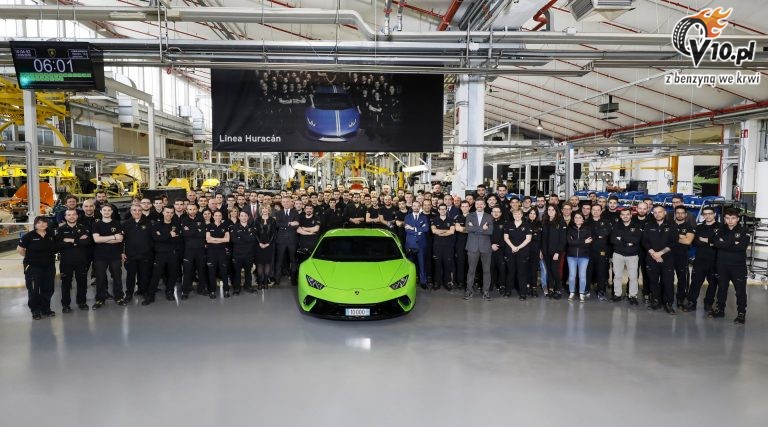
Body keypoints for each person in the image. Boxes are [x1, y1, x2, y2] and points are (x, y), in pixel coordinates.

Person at [709, 208, 748, 324]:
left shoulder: (744, 230)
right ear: (724, 218)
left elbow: (741, 247)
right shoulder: (719, 230)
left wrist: (724, 243)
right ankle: (720, 310)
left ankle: (741, 313)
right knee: (721, 289)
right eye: (727, 218)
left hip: (738, 266)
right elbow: (716, 243)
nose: (730, 221)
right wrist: (733, 242)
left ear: (738, 219)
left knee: (740, 291)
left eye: (733, 218)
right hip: (722, 265)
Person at [18, 216, 58, 320]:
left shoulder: (51, 235)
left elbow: (55, 249)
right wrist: (30, 258)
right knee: (34, 290)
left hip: (49, 266)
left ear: (47, 224)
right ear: (35, 224)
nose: (42, 224)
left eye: (44, 222)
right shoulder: (29, 236)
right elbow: (20, 249)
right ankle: (35, 310)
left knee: (48, 288)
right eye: (39, 223)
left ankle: (46, 309)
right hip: (33, 267)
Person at [684, 206, 720, 312]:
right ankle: (692, 302)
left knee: (713, 283)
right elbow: (695, 242)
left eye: (710, 213)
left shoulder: (721, 227)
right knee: (695, 282)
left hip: (714, 260)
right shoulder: (699, 227)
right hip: (700, 259)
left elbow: (718, 243)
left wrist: (705, 240)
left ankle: (708, 304)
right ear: (703, 215)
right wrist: (710, 241)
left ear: (714, 214)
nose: (708, 216)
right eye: (705, 214)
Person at [642, 205, 677, 314]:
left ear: (665, 212)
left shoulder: (672, 225)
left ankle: (668, 303)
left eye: (660, 212)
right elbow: (644, 242)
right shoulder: (648, 225)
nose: (657, 214)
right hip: (651, 258)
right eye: (655, 212)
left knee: (668, 281)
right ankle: (655, 301)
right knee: (653, 281)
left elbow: (674, 242)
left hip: (667, 259)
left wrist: (660, 253)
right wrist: (653, 253)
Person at [56, 209, 92, 311]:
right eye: (69, 215)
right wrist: (78, 241)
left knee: (82, 282)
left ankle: (82, 302)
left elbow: (87, 242)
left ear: (77, 216)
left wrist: (70, 240)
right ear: (65, 217)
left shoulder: (83, 228)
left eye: (73, 214)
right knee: (66, 283)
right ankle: (66, 305)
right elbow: (59, 244)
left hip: (81, 260)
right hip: (66, 262)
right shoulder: (60, 230)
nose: (71, 216)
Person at [91, 204, 125, 309]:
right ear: (101, 212)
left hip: (115, 255)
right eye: (104, 210)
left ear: (111, 212)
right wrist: (113, 237)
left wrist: (104, 239)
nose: (106, 212)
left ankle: (119, 297)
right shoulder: (96, 225)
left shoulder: (118, 224)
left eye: (108, 210)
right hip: (100, 256)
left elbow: (120, 240)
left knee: (117, 277)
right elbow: (96, 240)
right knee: (100, 278)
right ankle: (100, 299)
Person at [147, 207, 181, 304]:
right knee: (156, 275)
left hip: (173, 253)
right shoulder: (156, 225)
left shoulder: (176, 225)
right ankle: (151, 295)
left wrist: (162, 236)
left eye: (171, 213)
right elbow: (156, 238)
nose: (169, 214)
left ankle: (170, 291)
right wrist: (169, 235)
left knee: (173, 274)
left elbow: (177, 239)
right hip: (160, 254)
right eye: (167, 212)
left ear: (173, 214)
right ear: (163, 212)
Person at [610, 209, 642, 305]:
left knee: (633, 277)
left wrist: (621, 239)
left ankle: (632, 296)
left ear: (631, 215)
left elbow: (636, 240)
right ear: (620, 216)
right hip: (618, 255)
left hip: (632, 255)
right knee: (617, 276)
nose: (625, 216)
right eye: (623, 214)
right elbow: (612, 239)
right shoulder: (616, 226)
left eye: (627, 214)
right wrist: (628, 242)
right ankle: (617, 294)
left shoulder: (637, 226)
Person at [122, 205, 154, 302]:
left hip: (145, 255)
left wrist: (150, 251)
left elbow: (152, 239)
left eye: (139, 210)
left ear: (142, 211)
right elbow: (121, 240)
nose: (137, 212)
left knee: (144, 275)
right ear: (131, 212)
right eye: (134, 210)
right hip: (130, 255)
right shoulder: (125, 224)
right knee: (130, 276)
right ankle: (129, 294)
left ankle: (144, 292)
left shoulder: (149, 223)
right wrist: (122, 252)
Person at [463, 199, 493, 301]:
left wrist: (475, 228)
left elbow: (490, 231)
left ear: (485, 205)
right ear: (474, 205)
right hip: (472, 246)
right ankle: (469, 290)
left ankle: (486, 291)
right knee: (471, 270)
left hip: (486, 247)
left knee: (486, 270)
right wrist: (482, 228)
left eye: (481, 204)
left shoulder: (489, 216)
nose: (479, 205)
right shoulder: (469, 216)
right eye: (477, 204)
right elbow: (467, 228)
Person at [180, 203, 209, 298]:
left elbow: (203, 233)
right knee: (187, 271)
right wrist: (197, 230)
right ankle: (185, 291)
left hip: (200, 249)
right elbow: (185, 233)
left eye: (194, 209)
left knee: (201, 270)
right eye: (190, 209)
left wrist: (192, 230)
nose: (192, 211)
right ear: (187, 210)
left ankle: (202, 288)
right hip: (189, 250)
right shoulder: (184, 220)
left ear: (197, 210)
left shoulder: (201, 219)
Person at [503, 209, 532, 300]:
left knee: (521, 273)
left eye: (519, 214)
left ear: (522, 214)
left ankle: (523, 293)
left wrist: (518, 247)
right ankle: (508, 291)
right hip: (510, 251)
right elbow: (506, 238)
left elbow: (528, 239)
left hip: (522, 252)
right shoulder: (508, 224)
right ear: (513, 215)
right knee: (510, 273)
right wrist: (512, 247)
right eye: (515, 214)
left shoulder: (527, 225)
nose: (517, 215)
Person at [672, 206, 695, 307]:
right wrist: (681, 236)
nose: (680, 215)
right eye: (678, 213)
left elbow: (688, 241)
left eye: (682, 213)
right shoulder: (669, 225)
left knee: (682, 279)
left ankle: (680, 299)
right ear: (675, 214)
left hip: (682, 256)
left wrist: (674, 237)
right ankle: (667, 298)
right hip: (668, 255)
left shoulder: (689, 226)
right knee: (668, 278)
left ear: (686, 214)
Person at [541, 205, 567, 299]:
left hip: (556, 252)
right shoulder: (545, 221)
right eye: (549, 209)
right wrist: (541, 250)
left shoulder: (561, 222)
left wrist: (558, 252)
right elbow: (542, 238)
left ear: (556, 211)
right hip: (545, 251)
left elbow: (563, 239)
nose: (550, 211)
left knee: (555, 270)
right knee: (549, 271)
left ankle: (558, 290)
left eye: (553, 210)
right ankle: (551, 288)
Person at [566, 212, 592, 302]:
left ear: (583, 219)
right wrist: (583, 241)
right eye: (576, 217)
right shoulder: (570, 229)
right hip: (571, 256)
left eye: (579, 217)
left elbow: (589, 242)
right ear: (573, 219)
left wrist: (576, 241)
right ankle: (571, 293)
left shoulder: (588, 229)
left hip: (584, 256)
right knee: (572, 275)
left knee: (582, 276)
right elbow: (569, 242)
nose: (577, 219)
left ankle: (581, 294)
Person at [404, 200, 430, 288]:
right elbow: (407, 229)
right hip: (410, 244)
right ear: (412, 206)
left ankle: (423, 282)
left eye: (418, 206)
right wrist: (418, 230)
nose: (416, 207)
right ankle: (409, 282)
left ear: (420, 207)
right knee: (410, 264)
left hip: (421, 244)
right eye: (414, 206)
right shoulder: (407, 217)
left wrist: (413, 228)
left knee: (422, 264)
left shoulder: (424, 217)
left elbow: (426, 229)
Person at [274, 198, 300, 286]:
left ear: (291, 202)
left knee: (293, 260)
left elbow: (297, 224)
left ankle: (293, 280)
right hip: (281, 240)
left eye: (287, 201)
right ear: (282, 203)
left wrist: (285, 225)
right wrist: (289, 223)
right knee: (279, 260)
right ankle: (277, 280)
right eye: (284, 202)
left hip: (292, 240)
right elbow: (277, 224)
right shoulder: (278, 213)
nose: (285, 203)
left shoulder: (295, 212)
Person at [430, 204, 455, 291]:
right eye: (441, 209)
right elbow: (433, 231)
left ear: (446, 210)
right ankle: (437, 283)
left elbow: (452, 232)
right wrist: (446, 230)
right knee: (437, 265)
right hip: (437, 246)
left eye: (444, 209)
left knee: (447, 265)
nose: (443, 210)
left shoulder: (451, 220)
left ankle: (447, 282)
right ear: (438, 210)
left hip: (448, 247)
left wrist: (439, 232)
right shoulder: (434, 220)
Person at [230, 211, 256, 294]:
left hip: (249, 254)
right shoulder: (234, 227)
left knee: (248, 271)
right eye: (242, 216)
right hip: (237, 254)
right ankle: (237, 288)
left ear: (248, 217)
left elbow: (253, 239)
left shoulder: (252, 227)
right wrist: (247, 236)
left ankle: (248, 286)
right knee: (237, 272)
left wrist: (240, 236)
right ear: (239, 217)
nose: (244, 217)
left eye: (245, 216)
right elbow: (234, 240)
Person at [206, 210, 231, 298]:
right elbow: (208, 239)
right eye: (216, 215)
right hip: (211, 253)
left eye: (219, 215)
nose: (218, 217)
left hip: (222, 252)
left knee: (224, 272)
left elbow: (227, 239)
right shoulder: (209, 226)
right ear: (213, 216)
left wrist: (214, 239)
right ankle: (212, 291)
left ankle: (226, 290)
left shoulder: (225, 226)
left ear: (221, 217)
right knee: (211, 272)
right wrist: (220, 239)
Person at [255, 205, 278, 289]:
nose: (264, 210)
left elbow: (274, 233)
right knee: (260, 263)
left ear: (269, 210)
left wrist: (268, 243)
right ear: (261, 210)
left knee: (268, 263)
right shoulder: (257, 220)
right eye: (263, 208)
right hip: (259, 245)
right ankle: (260, 282)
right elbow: (255, 232)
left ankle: (265, 282)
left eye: (266, 209)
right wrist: (260, 243)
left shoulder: (272, 220)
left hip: (269, 245)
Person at [489, 206, 507, 295]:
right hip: (489, 250)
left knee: (502, 269)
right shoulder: (487, 223)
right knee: (490, 268)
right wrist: (491, 245)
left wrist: (498, 246)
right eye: (494, 211)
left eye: (498, 212)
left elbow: (506, 238)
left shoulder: (504, 223)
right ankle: (490, 285)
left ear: (500, 213)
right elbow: (485, 236)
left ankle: (502, 286)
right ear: (491, 213)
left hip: (501, 250)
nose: (496, 213)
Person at [452, 200, 471, 292]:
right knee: (460, 263)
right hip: (460, 244)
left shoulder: (473, 217)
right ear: (460, 208)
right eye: (463, 206)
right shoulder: (457, 217)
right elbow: (458, 228)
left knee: (470, 264)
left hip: (472, 243)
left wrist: (464, 229)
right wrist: (469, 229)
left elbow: (475, 229)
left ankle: (469, 282)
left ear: (469, 207)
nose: (464, 208)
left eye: (466, 206)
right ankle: (460, 282)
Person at [525, 208, 543, 298]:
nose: (532, 215)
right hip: (525, 249)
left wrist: (540, 250)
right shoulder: (524, 223)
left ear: (536, 215)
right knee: (526, 269)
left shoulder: (540, 224)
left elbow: (542, 239)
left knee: (534, 269)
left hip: (535, 249)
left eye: (534, 213)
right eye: (531, 213)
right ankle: (527, 286)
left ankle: (534, 288)